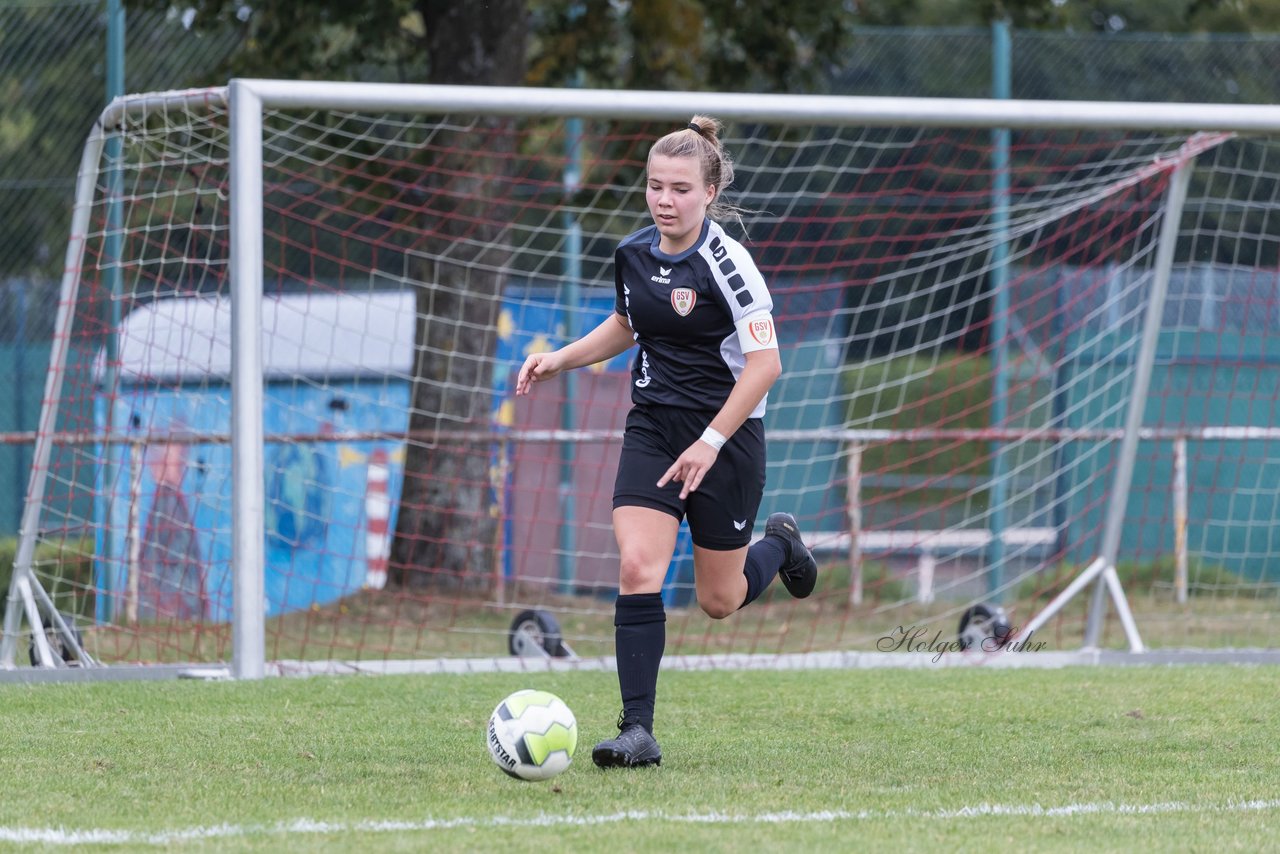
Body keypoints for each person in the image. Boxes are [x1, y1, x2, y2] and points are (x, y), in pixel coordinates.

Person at [515, 115, 817, 769]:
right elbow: (628, 323)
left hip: (727, 438)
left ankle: (782, 545)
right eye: (655, 186)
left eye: (680, 188)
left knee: (719, 600)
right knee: (636, 568)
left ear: (709, 192)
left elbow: (766, 366)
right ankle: (637, 731)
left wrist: (710, 440)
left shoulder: (729, 263)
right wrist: (559, 358)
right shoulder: (633, 254)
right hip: (653, 426)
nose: (664, 200)